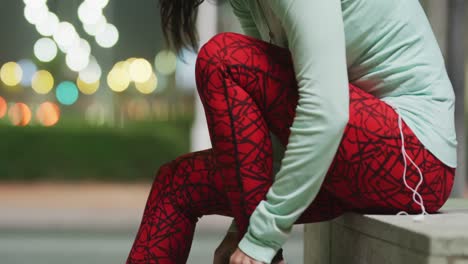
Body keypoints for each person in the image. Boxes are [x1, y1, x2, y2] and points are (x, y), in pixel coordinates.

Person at [126, 0, 457, 263]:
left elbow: (325, 111)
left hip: (414, 157)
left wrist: (261, 239)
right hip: (350, 157)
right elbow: (260, 116)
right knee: (177, 183)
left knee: (222, 58)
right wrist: (244, 224)